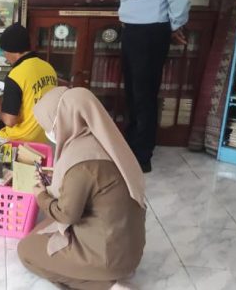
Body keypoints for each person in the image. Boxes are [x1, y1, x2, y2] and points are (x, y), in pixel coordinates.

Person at [17, 87, 147, 290]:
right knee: (44, 229)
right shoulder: (107, 142)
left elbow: (67, 215)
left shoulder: (79, 162)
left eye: (49, 126)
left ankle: (108, 286)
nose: (48, 133)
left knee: (26, 251)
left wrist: (41, 195)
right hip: (130, 253)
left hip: (106, 257)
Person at [108, 0, 190, 172]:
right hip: (133, 31)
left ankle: (141, 157)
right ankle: (132, 146)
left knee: (144, 95)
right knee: (132, 93)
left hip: (150, 34)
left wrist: (173, 26)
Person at [0, 23, 58, 143]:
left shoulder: (16, 75)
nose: (4, 55)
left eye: (4, 51)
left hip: (20, 140)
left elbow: (10, 121)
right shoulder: (48, 68)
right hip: (44, 137)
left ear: (13, 50)